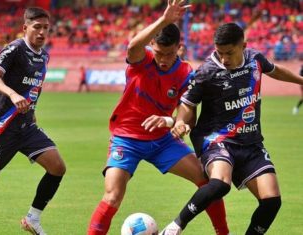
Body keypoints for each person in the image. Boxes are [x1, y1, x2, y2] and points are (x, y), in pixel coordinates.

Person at [87, 1, 230, 235]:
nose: (163, 59)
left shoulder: (185, 73)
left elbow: (187, 112)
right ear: (151, 45)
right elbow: (133, 45)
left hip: (162, 141)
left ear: (179, 48)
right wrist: (165, 20)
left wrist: (177, 122)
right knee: (113, 196)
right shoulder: (140, 62)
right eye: (159, 52)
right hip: (127, 139)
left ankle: (224, 233)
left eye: (170, 53)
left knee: (206, 180)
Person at [160, 22, 303, 235]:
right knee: (220, 183)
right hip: (216, 139)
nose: (224, 59)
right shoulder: (207, 71)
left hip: (251, 142)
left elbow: (275, 70)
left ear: (243, 45)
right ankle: (174, 227)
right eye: (220, 53)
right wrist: (180, 122)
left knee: (272, 200)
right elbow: (188, 104)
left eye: (229, 53)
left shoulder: (255, 59)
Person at [0, 7, 66, 235]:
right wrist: (12, 94)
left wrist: (32, 112)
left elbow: (33, 89)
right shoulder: (15, 49)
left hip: (26, 127)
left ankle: (33, 219)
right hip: (2, 126)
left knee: (57, 167)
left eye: (46, 28)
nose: (42, 32)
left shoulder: (44, 55)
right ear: (25, 28)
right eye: (37, 27)